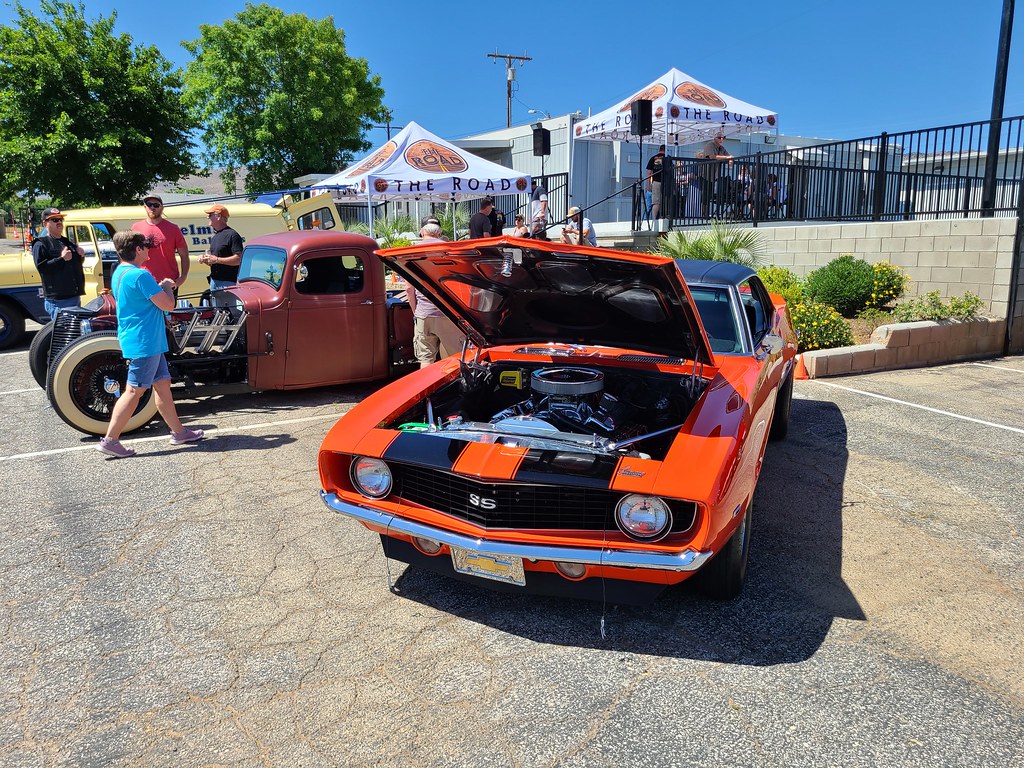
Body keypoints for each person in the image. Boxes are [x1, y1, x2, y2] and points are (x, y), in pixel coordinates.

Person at [96, 230, 204, 458]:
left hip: (142, 339)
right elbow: (168, 305)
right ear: (138, 250)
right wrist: (166, 286)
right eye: (145, 246)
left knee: (163, 385)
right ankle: (111, 439)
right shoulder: (140, 275)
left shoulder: (119, 273)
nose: (148, 250)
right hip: (146, 341)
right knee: (134, 391)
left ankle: (179, 432)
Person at [406, 222, 464, 367]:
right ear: (439, 233)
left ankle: (428, 389)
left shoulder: (411, 252)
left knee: (426, 358)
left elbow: (408, 289)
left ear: (421, 232)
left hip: (423, 313)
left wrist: (416, 313)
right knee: (454, 358)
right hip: (448, 313)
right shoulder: (449, 249)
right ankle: (451, 388)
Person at [31, 207, 86, 319]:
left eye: (60, 219)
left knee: (74, 333)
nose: (59, 222)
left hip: (74, 296)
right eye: (55, 220)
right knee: (63, 334)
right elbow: (42, 268)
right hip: (59, 300)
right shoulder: (40, 244)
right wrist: (61, 259)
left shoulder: (66, 241)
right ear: (45, 223)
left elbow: (73, 264)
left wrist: (81, 256)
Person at [131, 194, 189, 293]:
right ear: (145, 207)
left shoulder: (173, 229)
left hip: (168, 283)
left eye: (156, 205)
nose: (152, 208)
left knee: (167, 309)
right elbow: (129, 254)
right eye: (149, 205)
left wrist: (181, 279)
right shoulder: (136, 228)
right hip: (143, 281)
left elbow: (184, 256)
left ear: (162, 208)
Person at [197, 204, 244, 304]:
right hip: (215, 281)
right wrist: (206, 260)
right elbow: (213, 261)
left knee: (232, 315)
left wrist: (217, 259)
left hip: (229, 283)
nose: (207, 217)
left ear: (218, 216)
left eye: (210, 215)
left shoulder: (232, 235)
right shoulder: (215, 237)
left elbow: (239, 259)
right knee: (219, 315)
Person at [645, 145, 666, 220]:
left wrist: (648, 184)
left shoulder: (653, 158)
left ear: (659, 149)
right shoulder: (667, 158)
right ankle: (663, 218)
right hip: (666, 182)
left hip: (656, 182)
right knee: (665, 201)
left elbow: (649, 172)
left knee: (656, 202)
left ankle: (654, 220)